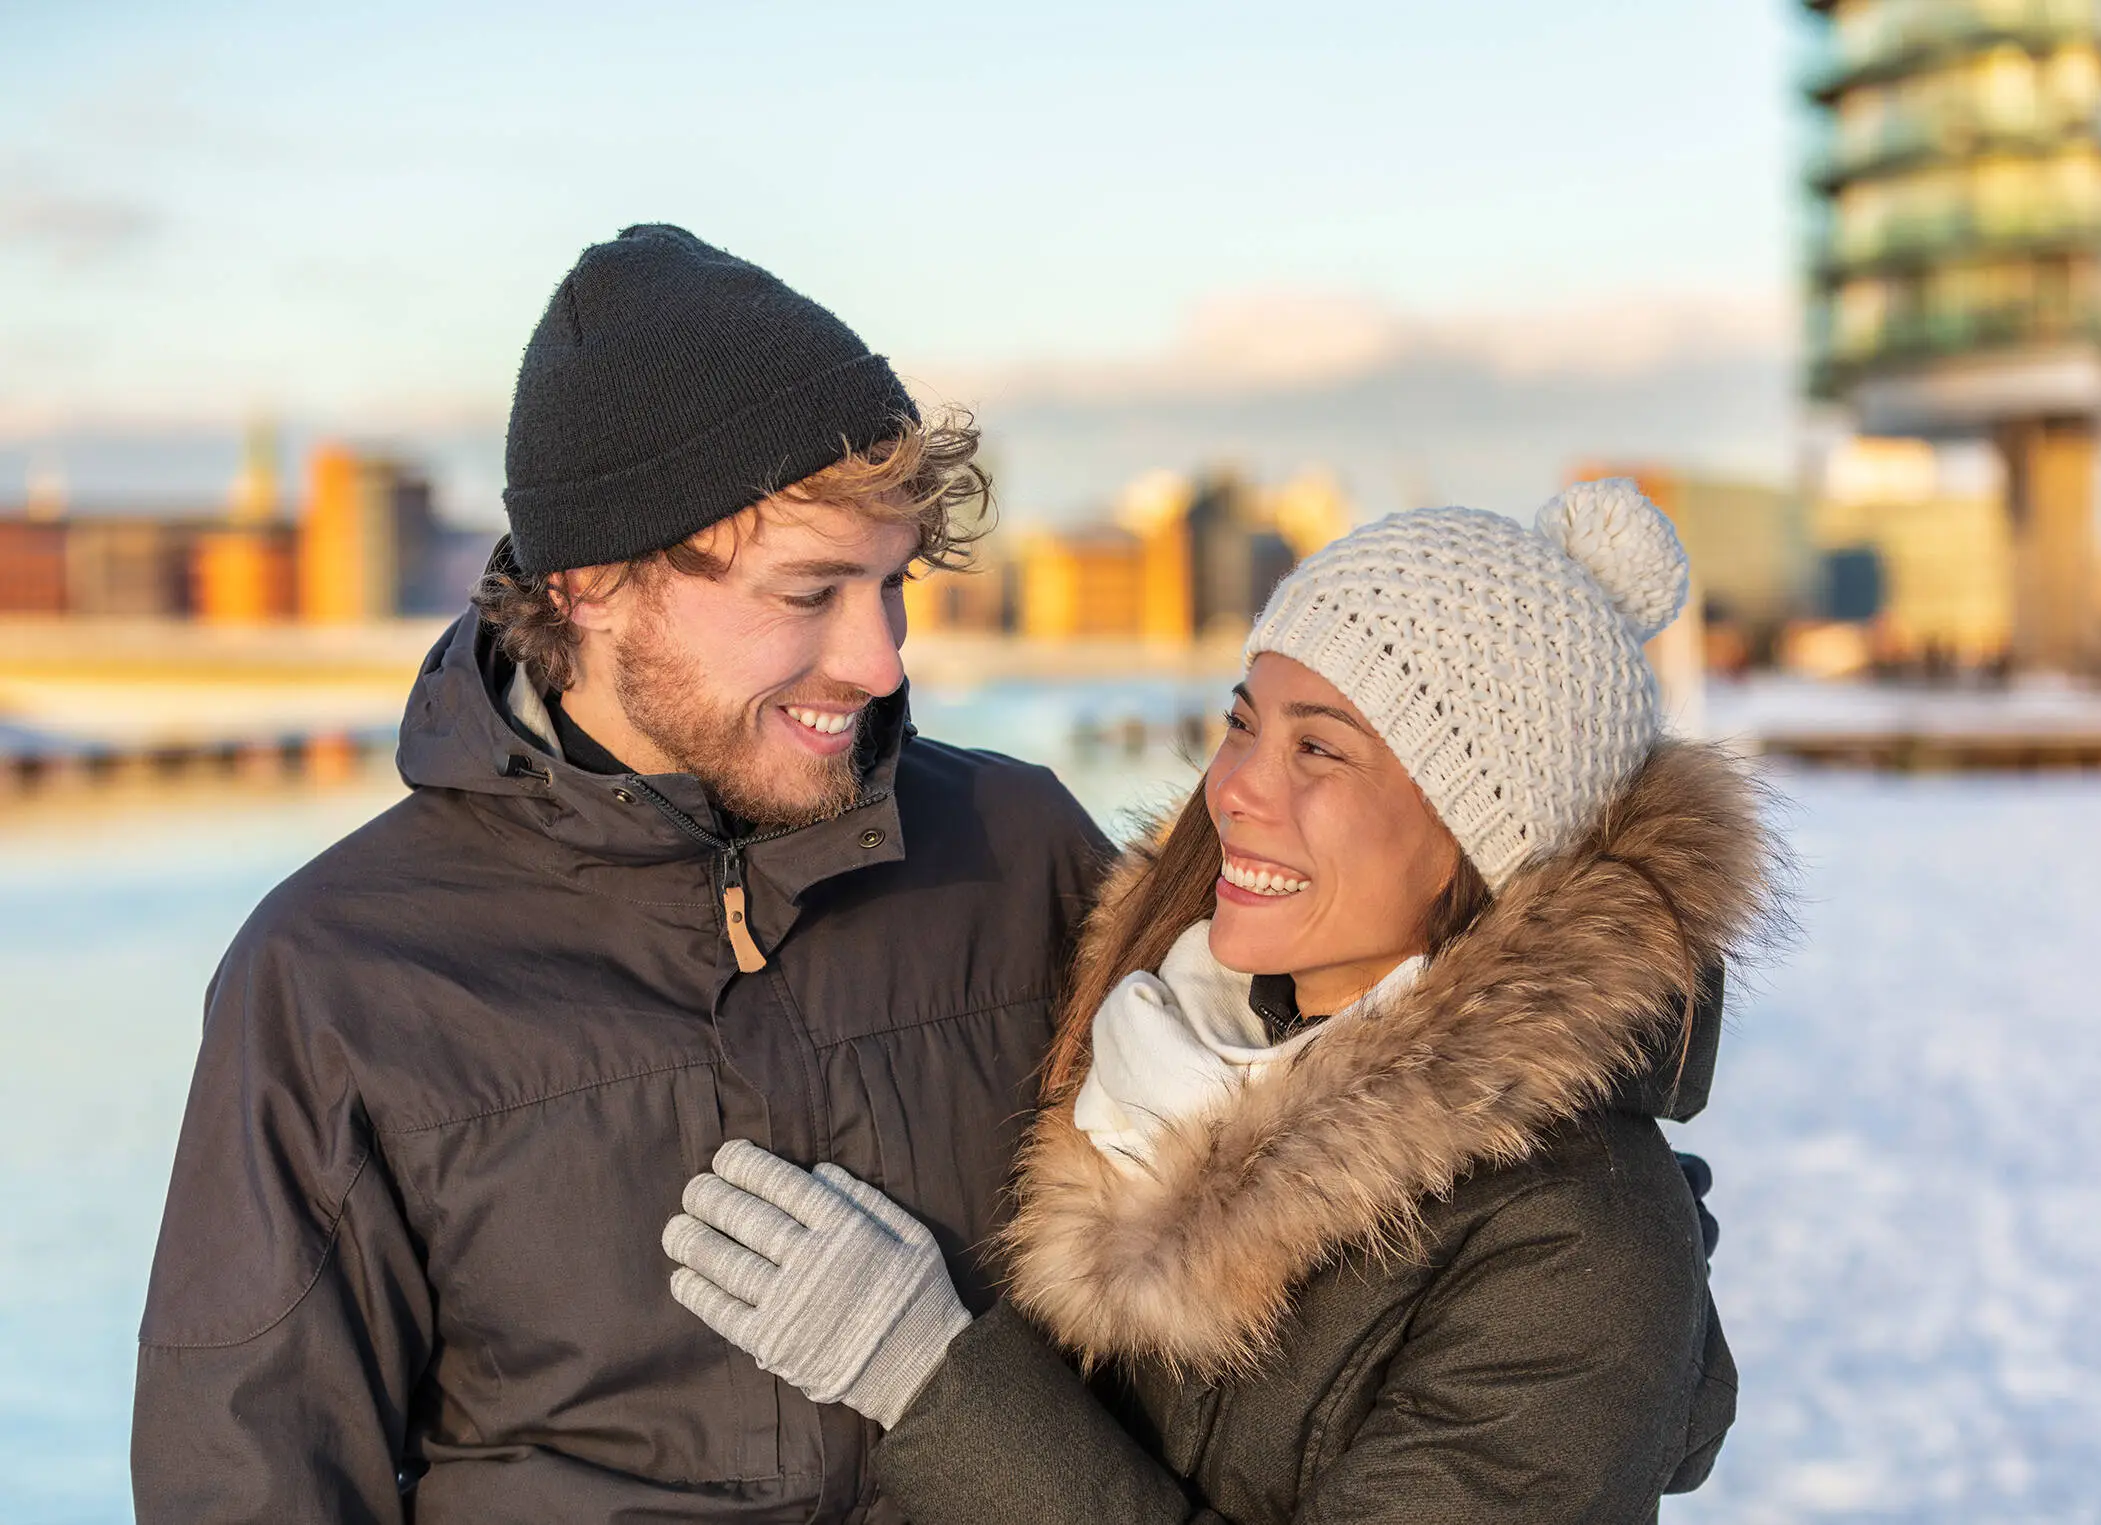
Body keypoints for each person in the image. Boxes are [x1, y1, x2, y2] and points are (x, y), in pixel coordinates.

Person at [131, 224, 1111, 1520]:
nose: (880, 661)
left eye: (892, 584)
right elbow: (251, 1486)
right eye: (809, 592)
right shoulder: (335, 981)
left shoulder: (1018, 850)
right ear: (593, 582)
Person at [663, 480, 1784, 1523]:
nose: (1236, 788)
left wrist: (928, 1381)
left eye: (1319, 751)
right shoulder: (1146, 1044)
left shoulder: (1579, 1245)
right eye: (1244, 723)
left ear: (1479, 841)